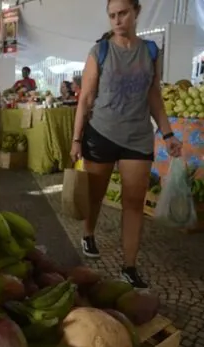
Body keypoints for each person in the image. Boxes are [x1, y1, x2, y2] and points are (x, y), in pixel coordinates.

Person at [70, 0, 182, 288]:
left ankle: (129, 266)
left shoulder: (150, 51)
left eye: (122, 13)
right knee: (95, 195)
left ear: (136, 12)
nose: (117, 20)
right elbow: (85, 99)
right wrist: (76, 139)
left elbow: (153, 95)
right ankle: (88, 232)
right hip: (102, 133)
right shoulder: (100, 51)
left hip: (138, 138)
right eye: (112, 16)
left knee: (133, 203)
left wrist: (168, 134)